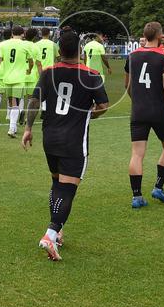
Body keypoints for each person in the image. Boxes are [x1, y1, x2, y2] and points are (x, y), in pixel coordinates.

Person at [21, 31, 108, 261]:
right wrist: (89, 114)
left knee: (56, 183)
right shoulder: (91, 74)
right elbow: (103, 105)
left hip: (50, 138)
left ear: (59, 51)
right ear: (80, 51)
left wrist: (28, 129)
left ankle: (57, 232)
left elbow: (34, 101)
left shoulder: (48, 72)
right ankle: (50, 233)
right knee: (67, 189)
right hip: (73, 141)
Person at [124, 22, 164, 208]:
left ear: (145, 36)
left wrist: (137, 101)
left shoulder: (132, 55)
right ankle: (158, 187)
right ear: (160, 36)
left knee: (137, 154)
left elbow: (127, 85)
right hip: (158, 110)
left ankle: (136, 196)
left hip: (138, 110)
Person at [0, 25, 33, 138]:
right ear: (23, 34)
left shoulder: (3, 45)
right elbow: (31, 61)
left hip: (7, 78)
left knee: (12, 102)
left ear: (12, 34)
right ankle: (12, 128)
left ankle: (13, 127)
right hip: (19, 78)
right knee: (16, 103)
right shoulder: (25, 45)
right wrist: (29, 70)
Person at [20, 28, 44, 125]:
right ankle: (26, 118)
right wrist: (42, 77)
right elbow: (38, 64)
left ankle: (21, 110)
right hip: (32, 75)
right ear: (34, 37)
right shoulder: (36, 47)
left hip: (21, 74)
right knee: (31, 98)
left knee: (20, 96)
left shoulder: (20, 45)